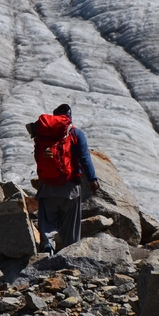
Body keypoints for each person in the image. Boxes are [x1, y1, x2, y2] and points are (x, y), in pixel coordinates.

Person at [27, 103, 100, 255]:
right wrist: (93, 179)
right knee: (70, 227)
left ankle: (47, 248)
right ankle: (70, 256)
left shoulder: (43, 133)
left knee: (47, 221)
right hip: (70, 187)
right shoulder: (75, 133)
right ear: (69, 117)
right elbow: (84, 157)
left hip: (47, 186)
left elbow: (38, 155)